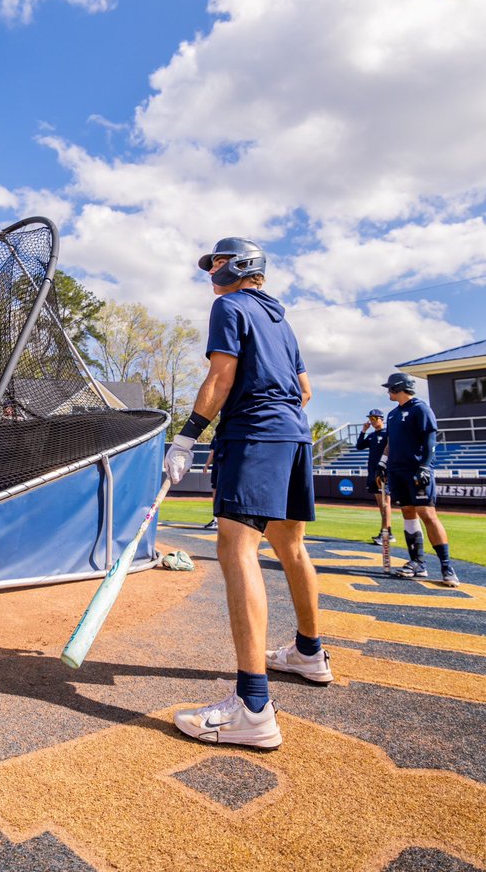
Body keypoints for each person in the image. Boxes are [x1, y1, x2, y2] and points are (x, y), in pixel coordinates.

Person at [165, 237, 332, 752]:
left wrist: (188, 434)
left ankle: (253, 708)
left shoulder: (229, 305)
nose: (209, 272)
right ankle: (309, 652)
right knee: (291, 548)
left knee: (237, 549)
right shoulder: (281, 320)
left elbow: (221, 373)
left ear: (239, 265)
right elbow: (304, 391)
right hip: (293, 435)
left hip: (255, 437)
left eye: (215, 262)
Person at [379, 371, 459, 586]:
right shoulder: (393, 414)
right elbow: (390, 443)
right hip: (397, 471)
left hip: (416, 470)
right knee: (408, 512)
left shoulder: (420, 409)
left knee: (428, 514)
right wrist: (382, 464)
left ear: (398, 387)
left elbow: (431, 440)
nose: (388, 391)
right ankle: (417, 563)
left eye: (390, 387)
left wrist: (424, 466)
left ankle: (447, 566)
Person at [356, 409, 395, 546]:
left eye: (375, 418)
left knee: (385, 503)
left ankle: (387, 532)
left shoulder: (388, 433)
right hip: (372, 472)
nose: (372, 421)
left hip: (383, 472)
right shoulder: (372, 435)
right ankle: (385, 531)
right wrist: (363, 431)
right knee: (380, 504)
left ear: (381, 419)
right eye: (370, 419)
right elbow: (359, 446)